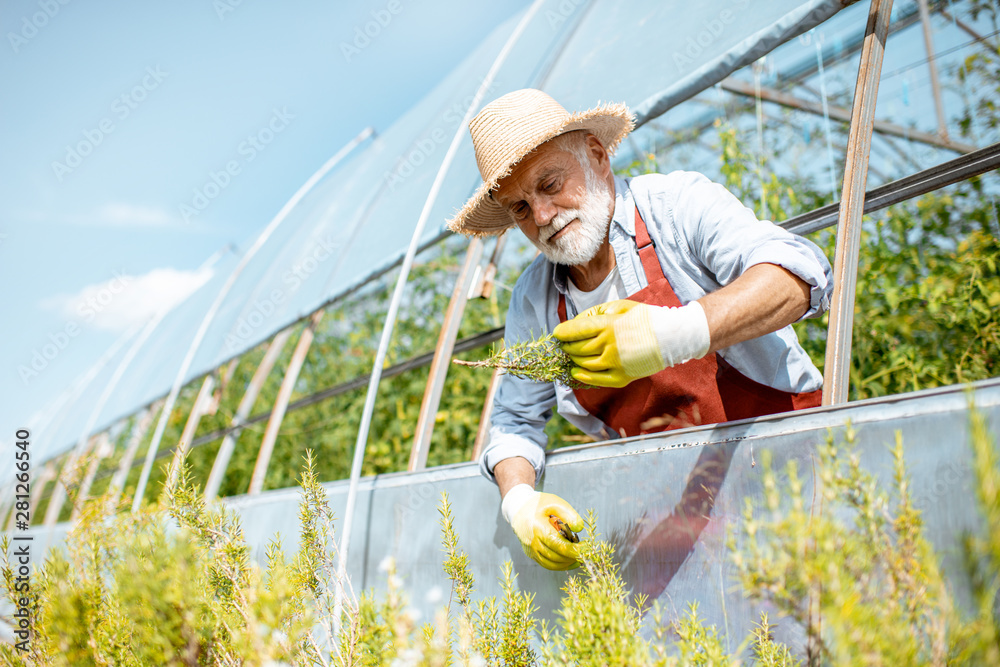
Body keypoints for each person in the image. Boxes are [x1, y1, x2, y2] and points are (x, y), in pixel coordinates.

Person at [446, 89, 833, 570]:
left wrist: (672, 335)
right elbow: (514, 424)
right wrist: (520, 502)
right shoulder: (535, 298)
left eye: (549, 184)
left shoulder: (675, 207)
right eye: (521, 208)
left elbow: (798, 275)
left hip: (790, 478)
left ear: (596, 155)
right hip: (679, 524)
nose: (543, 216)